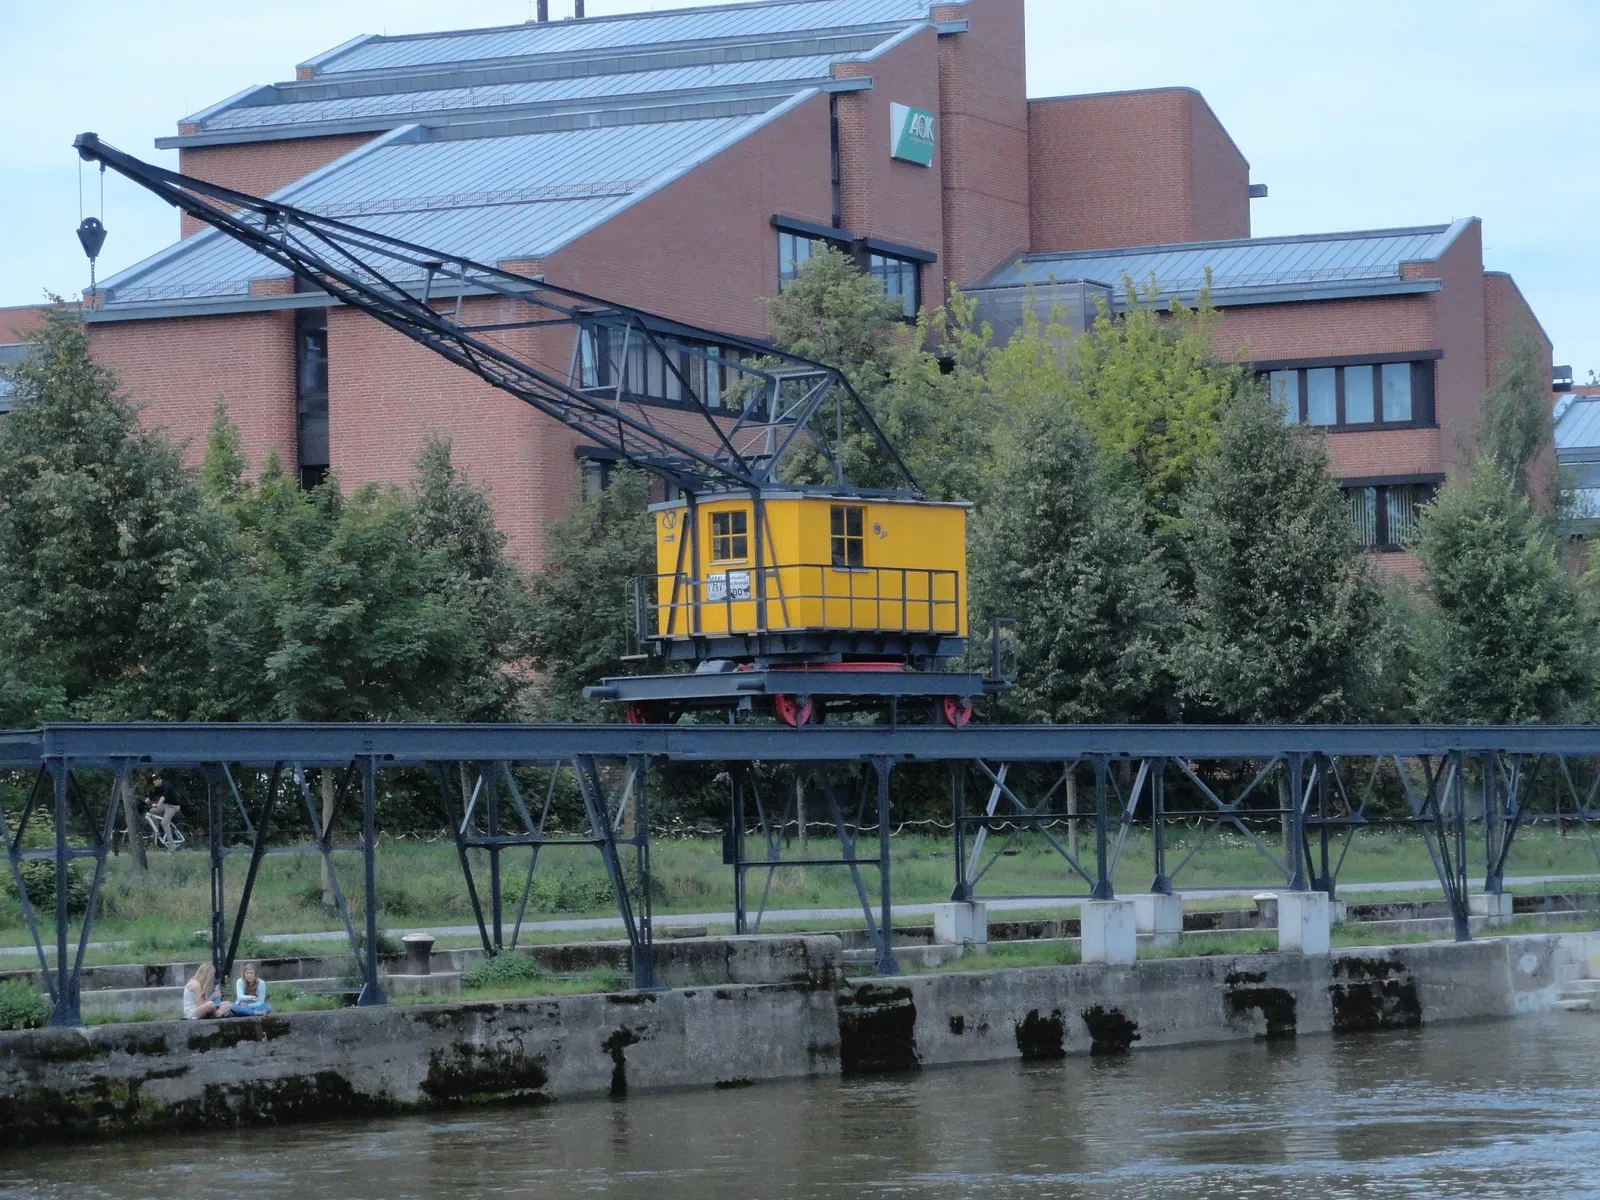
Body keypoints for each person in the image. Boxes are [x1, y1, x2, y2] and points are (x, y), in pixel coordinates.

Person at [145, 773, 181, 848]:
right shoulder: (158, 786)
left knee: (164, 823)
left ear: (159, 779)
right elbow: (153, 795)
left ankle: (172, 845)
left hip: (173, 806)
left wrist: (157, 805)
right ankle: (157, 830)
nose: (153, 782)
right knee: (152, 811)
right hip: (165, 805)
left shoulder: (167, 786)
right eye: (153, 780)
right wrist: (148, 799)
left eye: (155, 780)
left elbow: (162, 798)